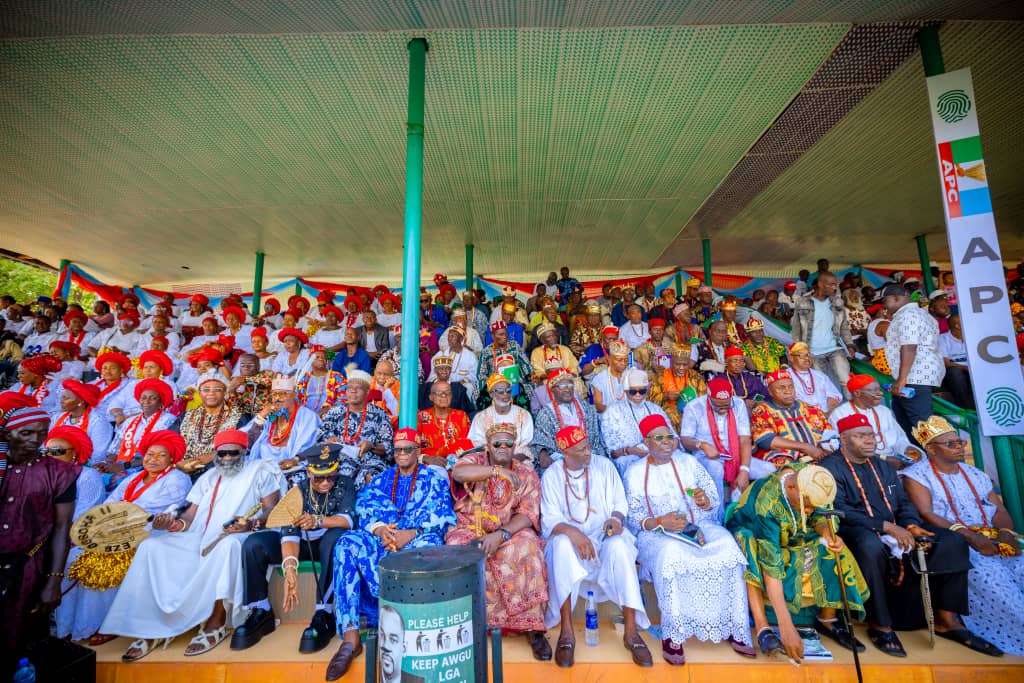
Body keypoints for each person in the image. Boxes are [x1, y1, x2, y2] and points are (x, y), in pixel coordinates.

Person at [821, 415, 996, 657]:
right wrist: (886, 527)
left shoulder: (883, 467)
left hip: (896, 527)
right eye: (860, 436)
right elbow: (839, 509)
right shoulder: (829, 468)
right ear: (843, 439)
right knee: (869, 545)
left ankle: (947, 620)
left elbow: (902, 501)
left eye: (871, 435)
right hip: (856, 528)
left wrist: (911, 525)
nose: (870, 441)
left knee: (951, 540)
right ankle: (880, 624)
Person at [102, 430, 283, 661]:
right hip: (201, 534)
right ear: (215, 454)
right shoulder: (208, 477)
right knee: (152, 547)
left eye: (234, 453)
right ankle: (150, 627)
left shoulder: (260, 471)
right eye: (222, 454)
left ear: (245, 452)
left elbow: (272, 510)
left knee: (228, 547)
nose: (227, 458)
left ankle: (216, 622)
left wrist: (250, 524)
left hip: (242, 534)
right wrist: (172, 524)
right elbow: (189, 516)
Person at [325, 429, 455, 681]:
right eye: (397, 450)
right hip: (384, 538)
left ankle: (414, 626)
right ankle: (351, 638)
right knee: (348, 543)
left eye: (407, 449)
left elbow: (442, 516)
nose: (402, 454)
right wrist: (380, 530)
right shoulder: (382, 478)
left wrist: (411, 533)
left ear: (417, 451)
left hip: (418, 537)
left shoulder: (434, 479)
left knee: (429, 546)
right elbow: (365, 508)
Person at [623, 415, 753, 663]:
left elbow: (710, 500)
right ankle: (674, 635)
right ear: (646, 442)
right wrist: (660, 521)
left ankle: (734, 627)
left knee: (728, 548)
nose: (666, 442)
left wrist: (703, 501)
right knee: (672, 555)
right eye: (659, 438)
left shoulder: (689, 463)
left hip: (700, 526)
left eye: (669, 437)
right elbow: (634, 517)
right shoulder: (635, 472)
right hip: (658, 534)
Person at [903, 416, 1024, 656]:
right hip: (959, 542)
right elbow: (927, 514)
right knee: (995, 580)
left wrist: (1006, 533)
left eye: (960, 442)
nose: (960, 447)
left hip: (993, 538)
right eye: (951, 444)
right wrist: (972, 538)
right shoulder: (916, 475)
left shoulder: (975, 473)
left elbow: (999, 510)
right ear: (931, 449)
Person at [56, 430, 190, 645]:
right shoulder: (134, 478)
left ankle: (101, 623)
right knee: (72, 557)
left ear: (172, 458)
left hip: (150, 532)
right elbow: (110, 503)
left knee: (103, 562)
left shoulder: (177, 479)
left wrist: (121, 518)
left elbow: (161, 511)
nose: (153, 459)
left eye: (161, 455)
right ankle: (67, 625)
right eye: (150, 454)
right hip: (115, 529)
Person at [727, 462, 868, 660]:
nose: (809, 510)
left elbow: (820, 516)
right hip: (756, 534)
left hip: (796, 535)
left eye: (812, 507)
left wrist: (827, 533)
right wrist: (786, 626)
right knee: (747, 543)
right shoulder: (767, 503)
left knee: (835, 549)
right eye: (807, 506)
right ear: (791, 487)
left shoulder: (816, 479)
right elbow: (771, 566)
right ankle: (763, 628)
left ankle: (827, 619)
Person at [540, 425, 652, 668]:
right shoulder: (552, 475)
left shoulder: (604, 466)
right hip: (571, 544)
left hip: (603, 536)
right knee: (560, 545)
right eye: (581, 450)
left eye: (588, 446)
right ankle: (567, 633)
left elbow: (619, 503)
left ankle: (631, 632)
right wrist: (573, 533)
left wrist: (616, 519)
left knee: (621, 546)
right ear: (565, 453)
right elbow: (549, 519)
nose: (588, 452)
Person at [234, 443, 357, 653]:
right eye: (319, 478)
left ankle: (324, 612)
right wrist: (290, 567)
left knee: (336, 539)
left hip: (326, 544)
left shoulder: (345, 484)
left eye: (331, 476)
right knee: (254, 544)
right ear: (309, 473)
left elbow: (347, 520)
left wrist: (317, 521)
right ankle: (260, 610)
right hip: (301, 544)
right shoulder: (298, 491)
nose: (325, 482)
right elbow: (289, 533)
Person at [447, 424, 552, 659]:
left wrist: (502, 534)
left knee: (529, 548)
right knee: (457, 551)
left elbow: (528, 513)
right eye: (497, 443)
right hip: (470, 528)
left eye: (508, 444)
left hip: (508, 532)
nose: (503, 447)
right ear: (487, 446)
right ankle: (461, 624)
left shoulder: (526, 473)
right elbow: (458, 474)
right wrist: (496, 471)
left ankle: (533, 628)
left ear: (515, 447)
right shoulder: (474, 460)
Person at [0, 398, 79, 668]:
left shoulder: (59, 473)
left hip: (28, 565)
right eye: (26, 433)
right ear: (7, 434)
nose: (35, 440)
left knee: (19, 638)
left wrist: (53, 582)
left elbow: (61, 527)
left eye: (41, 433)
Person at [882, 284, 945, 439]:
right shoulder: (922, 313)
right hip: (916, 374)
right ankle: (921, 453)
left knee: (921, 424)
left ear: (895, 298)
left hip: (914, 375)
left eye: (884, 301)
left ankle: (936, 453)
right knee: (906, 421)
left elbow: (909, 346)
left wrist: (902, 378)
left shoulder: (908, 315)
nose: (884, 306)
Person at [317, 366, 394, 487]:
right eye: (349, 388)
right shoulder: (335, 412)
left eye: (358, 388)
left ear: (367, 391)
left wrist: (371, 446)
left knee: (372, 475)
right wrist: (329, 441)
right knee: (334, 472)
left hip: (370, 461)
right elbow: (319, 440)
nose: (353, 391)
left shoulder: (379, 414)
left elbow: (388, 448)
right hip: (338, 460)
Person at [830, 374, 921, 467]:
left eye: (879, 389)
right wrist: (884, 460)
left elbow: (899, 438)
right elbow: (844, 447)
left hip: (894, 457)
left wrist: (907, 449)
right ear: (857, 393)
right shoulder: (840, 414)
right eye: (874, 390)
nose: (880, 393)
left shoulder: (884, 411)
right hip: (862, 463)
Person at [100, 378, 178, 485]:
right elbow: (115, 450)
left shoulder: (168, 420)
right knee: (96, 474)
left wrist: (124, 466)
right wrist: (106, 463)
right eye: (143, 398)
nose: (146, 402)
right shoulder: (129, 421)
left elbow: (162, 455)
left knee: (116, 480)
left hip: (148, 466)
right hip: (122, 462)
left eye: (153, 398)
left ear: (161, 401)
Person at [750, 369, 835, 468]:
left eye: (791, 387)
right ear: (770, 392)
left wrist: (826, 447)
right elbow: (766, 441)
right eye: (781, 388)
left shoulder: (810, 408)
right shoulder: (762, 411)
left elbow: (829, 434)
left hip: (819, 456)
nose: (788, 391)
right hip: (788, 460)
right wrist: (806, 447)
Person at [791, 271, 855, 396]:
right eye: (831, 284)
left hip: (835, 348)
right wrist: (799, 349)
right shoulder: (803, 302)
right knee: (822, 385)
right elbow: (796, 328)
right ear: (820, 284)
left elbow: (843, 326)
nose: (834, 288)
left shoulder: (838, 302)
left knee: (847, 382)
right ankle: (827, 407)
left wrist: (850, 345)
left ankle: (851, 406)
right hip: (813, 351)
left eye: (835, 284)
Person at [601, 367, 673, 476]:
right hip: (629, 462)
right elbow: (611, 453)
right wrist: (630, 451)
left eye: (642, 391)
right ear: (626, 390)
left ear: (647, 389)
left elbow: (674, 438)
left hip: (660, 457)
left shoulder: (655, 409)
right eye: (633, 391)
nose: (638, 395)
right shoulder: (612, 412)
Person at [531, 368, 606, 471]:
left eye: (570, 385)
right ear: (552, 389)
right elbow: (540, 440)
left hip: (590, 454)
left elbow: (597, 437)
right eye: (562, 386)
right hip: (562, 460)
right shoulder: (546, 413)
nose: (567, 389)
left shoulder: (587, 408)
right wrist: (542, 453)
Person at [246, 376, 320, 475]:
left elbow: (313, 446)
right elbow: (249, 443)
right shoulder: (269, 415)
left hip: (294, 469)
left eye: (282, 394)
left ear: (294, 394)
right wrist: (261, 417)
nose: (277, 398)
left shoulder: (309, 417)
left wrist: (295, 460)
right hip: (263, 467)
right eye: (274, 394)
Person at [179, 371, 243, 478]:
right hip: (181, 470)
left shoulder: (239, 417)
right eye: (206, 390)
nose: (211, 393)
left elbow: (239, 447)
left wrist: (202, 459)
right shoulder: (186, 416)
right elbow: (169, 442)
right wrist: (178, 464)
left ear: (225, 392)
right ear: (199, 393)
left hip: (217, 472)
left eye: (217, 389)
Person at [469, 374, 534, 463]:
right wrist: (496, 459)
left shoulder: (524, 415)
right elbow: (477, 444)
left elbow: (527, 444)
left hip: (518, 460)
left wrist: (511, 461)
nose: (505, 394)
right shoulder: (481, 417)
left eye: (508, 391)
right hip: (489, 462)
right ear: (491, 394)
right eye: (500, 391)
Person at [50, 378, 114, 462]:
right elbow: (46, 443)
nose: (61, 401)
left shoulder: (98, 422)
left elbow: (98, 454)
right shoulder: (57, 417)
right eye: (62, 397)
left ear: (81, 401)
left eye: (66, 398)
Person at [648, 342, 706, 432]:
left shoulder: (696, 377)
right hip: (669, 415)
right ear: (671, 362)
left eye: (685, 364)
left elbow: (703, 400)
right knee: (671, 414)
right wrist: (665, 396)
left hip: (692, 413)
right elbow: (650, 401)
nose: (681, 368)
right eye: (678, 364)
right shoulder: (661, 376)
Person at [477, 320, 533, 409]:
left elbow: (525, 364)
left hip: (515, 381)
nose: (504, 336)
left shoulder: (514, 346)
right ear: (492, 336)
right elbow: (481, 375)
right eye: (500, 334)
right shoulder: (486, 352)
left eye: (506, 333)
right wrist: (489, 384)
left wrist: (531, 375)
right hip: (495, 383)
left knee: (530, 387)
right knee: (479, 391)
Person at [417, 380, 472, 463]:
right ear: (431, 397)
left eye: (448, 392)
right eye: (439, 393)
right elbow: (412, 447)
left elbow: (467, 444)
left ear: (451, 396)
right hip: (429, 465)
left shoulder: (461, 416)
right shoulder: (421, 417)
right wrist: (426, 459)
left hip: (457, 464)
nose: (444, 395)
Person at [786, 341, 842, 414]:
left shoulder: (820, 375)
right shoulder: (785, 376)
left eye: (808, 355)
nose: (807, 358)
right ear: (791, 358)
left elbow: (833, 395)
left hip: (827, 415)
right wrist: (815, 414)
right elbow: (788, 400)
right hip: (802, 416)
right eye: (802, 355)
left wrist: (830, 412)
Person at [294, 345, 348, 417]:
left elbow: (344, 399)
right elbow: (296, 398)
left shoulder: (337, 377)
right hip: (305, 416)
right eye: (317, 357)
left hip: (328, 416)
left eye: (323, 357)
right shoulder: (304, 378)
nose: (321, 359)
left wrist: (329, 410)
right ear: (310, 360)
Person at [938, 313, 975, 410]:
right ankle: (966, 408)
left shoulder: (972, 337)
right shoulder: (942, 338)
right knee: (955, 372)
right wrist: (965, 368)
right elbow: (946, 363)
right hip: (953, 372)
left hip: (970, 370)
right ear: (957, 326)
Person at [433, 326, 479, 402]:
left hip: (462, 384)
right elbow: (433, 374)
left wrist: (461, 381)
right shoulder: (440, 354)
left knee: (469, 387)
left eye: (453, 336)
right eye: (449, 336)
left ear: (461, 339)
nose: (450, 338)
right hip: (443, 384)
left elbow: (474, 375)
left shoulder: (470, 356)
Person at [719, 346, 768, 410]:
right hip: (731, 412)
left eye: (741, 360)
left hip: (753, 411)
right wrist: (742, 403)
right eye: (735, 360)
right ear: (726, 362)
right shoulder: (719, 380)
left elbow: (764, 394)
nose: (739, 364)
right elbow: (718, 402)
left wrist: (755, 402)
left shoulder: (750, 378)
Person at [91, 351, 135, 421]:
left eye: (112, 368)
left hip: (116, 420)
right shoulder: (93, 384)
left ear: (121, 370)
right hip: (92, 419)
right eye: (105, 368)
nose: (108, 371)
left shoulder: (130, 385)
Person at [590, 339, 630, 413]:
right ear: (610, 359)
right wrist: (616, 412)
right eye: (619, 360)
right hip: (607, 417)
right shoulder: (599, 379)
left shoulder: (632, 375)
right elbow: (598, 407)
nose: (623, 363)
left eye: (626, 360)